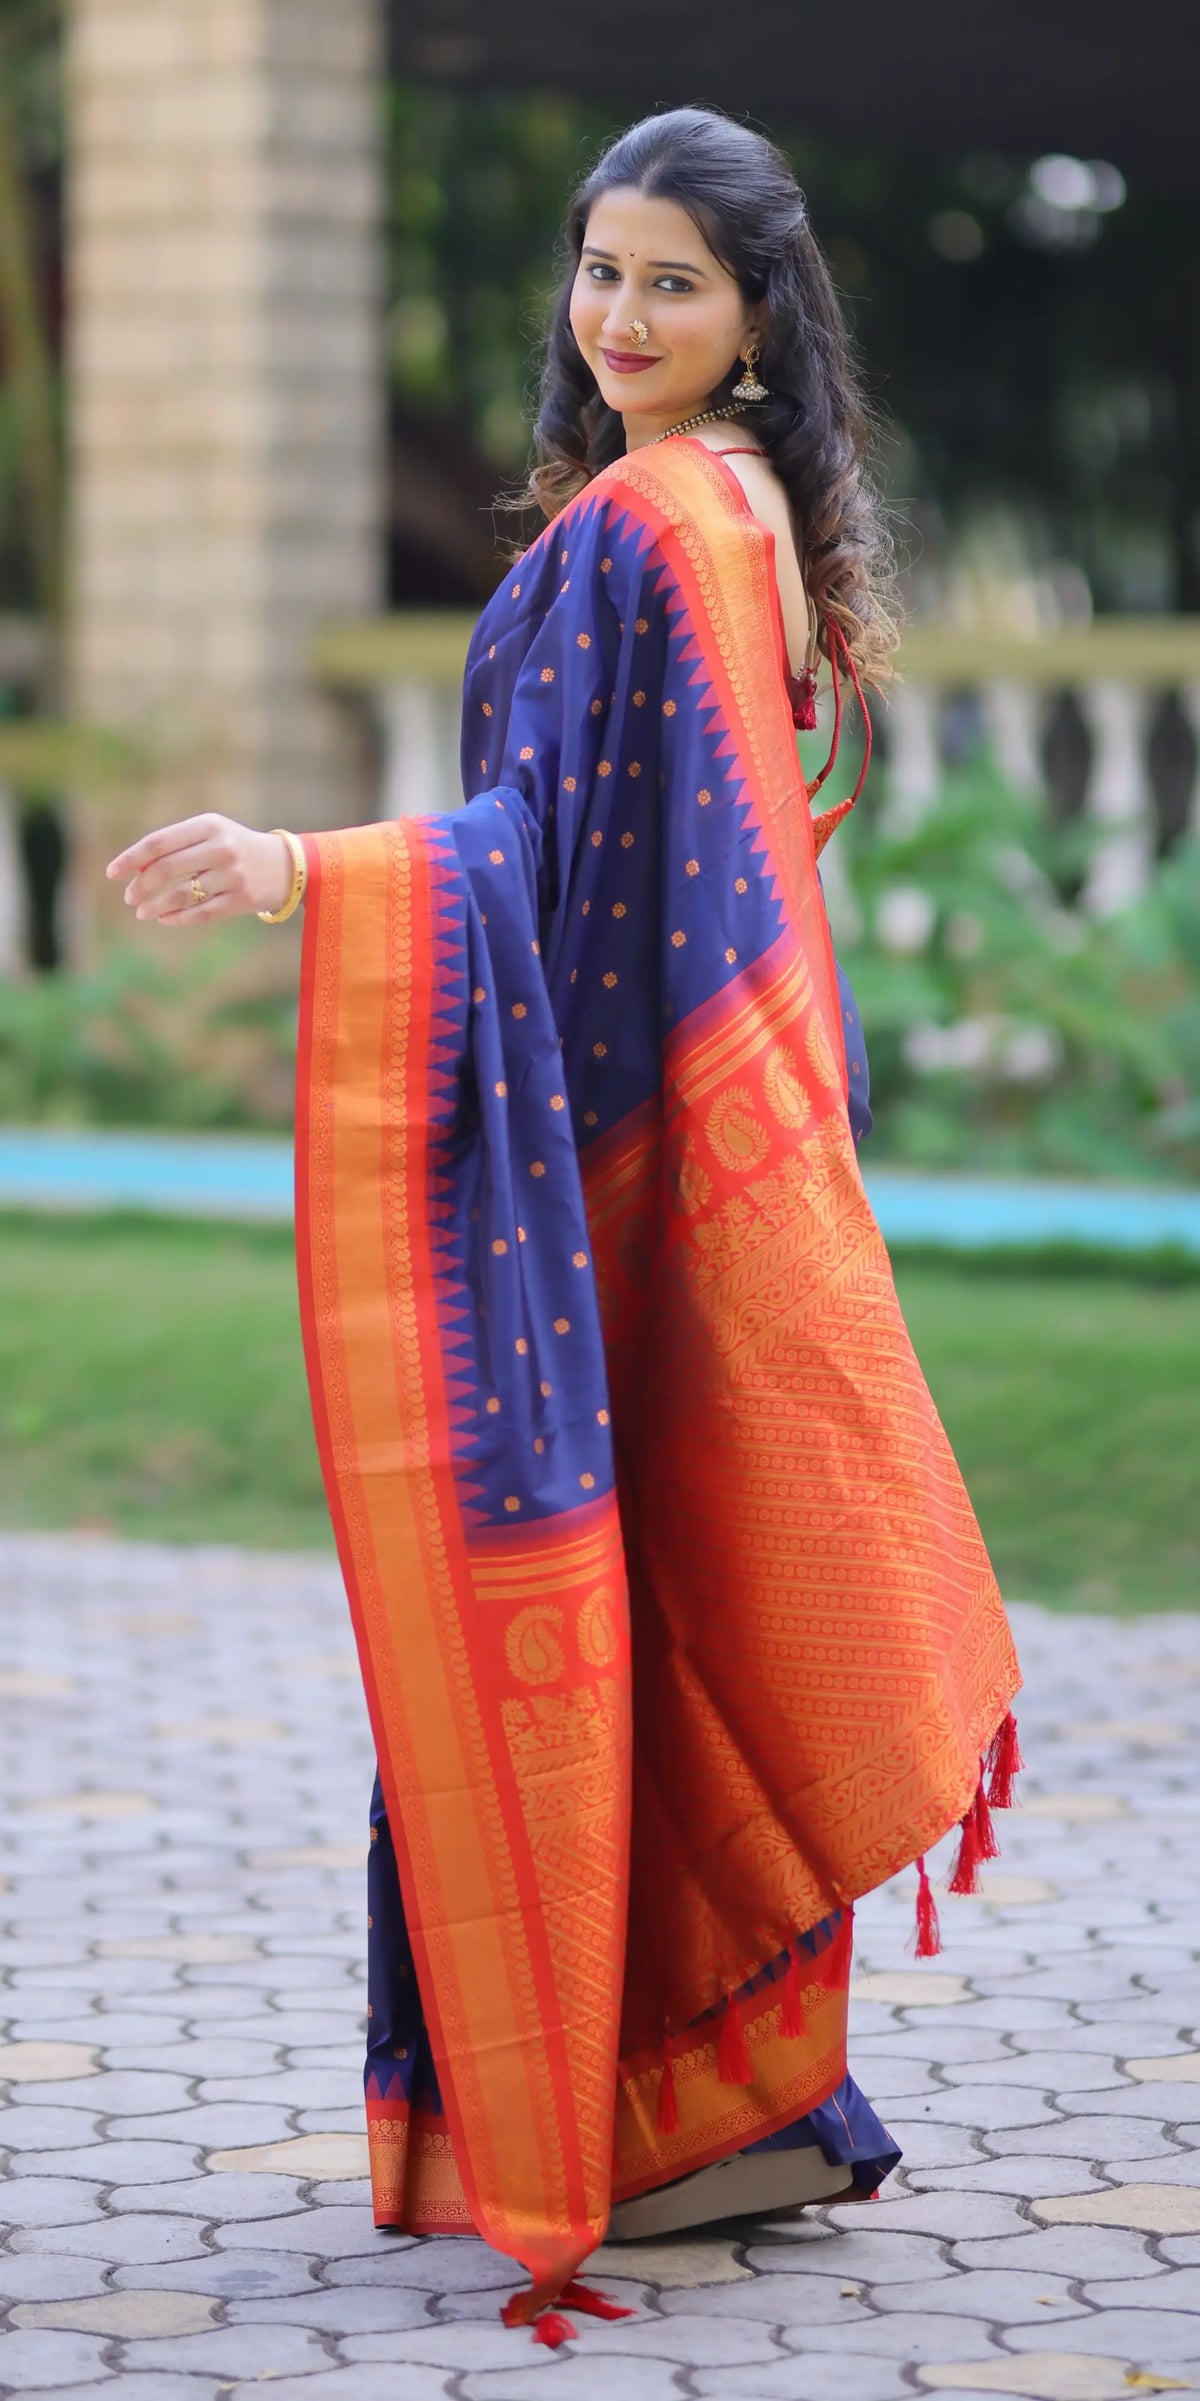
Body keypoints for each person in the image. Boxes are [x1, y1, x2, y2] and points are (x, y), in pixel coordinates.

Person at [108, 106, 1021, 2345]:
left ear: (756, 316)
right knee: (684, 1585)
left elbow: (537, 849)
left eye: (672, 282)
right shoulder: (740, 512)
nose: (619, 315)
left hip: (620, 1167)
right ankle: (741, 2106)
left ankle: (683, 2117)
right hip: (694, 1148)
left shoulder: (653, 521)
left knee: (630, 1598)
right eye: (600, 271)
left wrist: (304, 865)